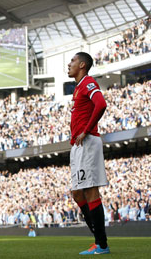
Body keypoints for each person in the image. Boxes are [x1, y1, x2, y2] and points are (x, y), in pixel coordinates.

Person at [67, 52, 110, 255]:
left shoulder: (88, 82)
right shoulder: (78, 88)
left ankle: (102, 244)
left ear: (82, 65)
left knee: (91, 191)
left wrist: (87, 129)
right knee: (77, 193)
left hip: (87, 142)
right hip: (77, 144)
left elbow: (101, 104)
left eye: (73, 61)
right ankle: (98, 241)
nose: (69, 64)